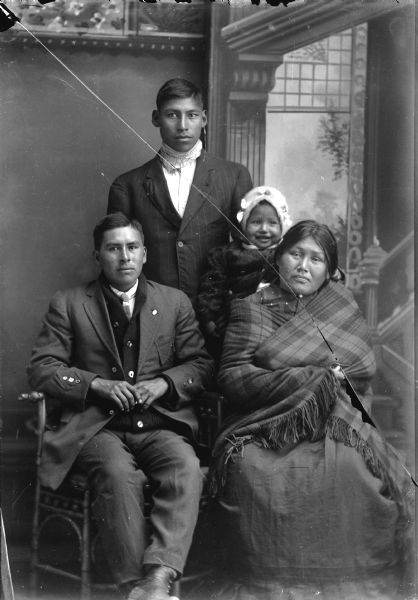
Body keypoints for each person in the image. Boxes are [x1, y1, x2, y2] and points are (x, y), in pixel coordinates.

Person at [210, 220, 413, 599]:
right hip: (267, 422)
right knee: (251, 469)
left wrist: (325, 384)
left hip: (336, 419)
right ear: (278, 257)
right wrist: (310, 377)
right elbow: (234, 377)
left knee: (350, 468)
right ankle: (267, 582)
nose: (304, 265)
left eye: (316, 258)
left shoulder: (341, 304)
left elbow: (363, 368)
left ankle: (349, 582)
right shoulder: (251, 309)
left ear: (329, 269)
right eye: (296, 254)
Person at [27, 213, 214, 600]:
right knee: (116, 474)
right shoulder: (70, 303)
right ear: (98, 256)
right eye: (114, 248)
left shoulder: (174, 302)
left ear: (145, 254)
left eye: (132, 248)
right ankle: (135, 587)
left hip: (159, 422)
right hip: (97, 427)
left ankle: (157, 579)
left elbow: (201, 364)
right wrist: (95, 384)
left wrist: (163, 383)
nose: (124, 257)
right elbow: (42, 369)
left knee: (185, 467)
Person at [107, 78, 253, 306]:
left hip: (215, 311)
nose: (183, 125)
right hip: (152, 310)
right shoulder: (127, 185)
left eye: (192, 115)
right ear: (156, 118)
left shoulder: (233, 176)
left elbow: (250, 250)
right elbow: (118, 258)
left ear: (203, 119)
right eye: (172, 115)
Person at [197, 186, 292, 357]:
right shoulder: (225, 254)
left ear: (282, 225)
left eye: (272, 223)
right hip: (233, 326)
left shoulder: (286, 254)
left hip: (276, 327)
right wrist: (211, 318)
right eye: (256, 222)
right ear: (244, 223)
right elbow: (211, 289)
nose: (264, 229)